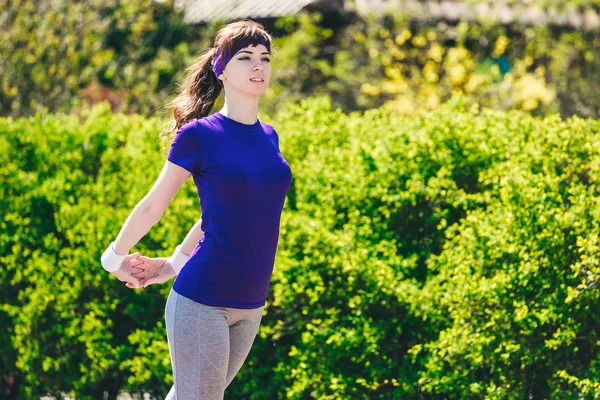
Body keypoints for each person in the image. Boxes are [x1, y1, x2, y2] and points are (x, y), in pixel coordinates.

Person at [100, 19, 292, 399]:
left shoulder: (269, 136)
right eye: (245, 57)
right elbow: (153, 205)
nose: (258, 66)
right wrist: (113, 257)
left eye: (265, 58)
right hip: (204, 301)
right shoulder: (200, 135)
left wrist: (172, 264)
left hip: (251, 304)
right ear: (221, 70)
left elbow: (223, 215)